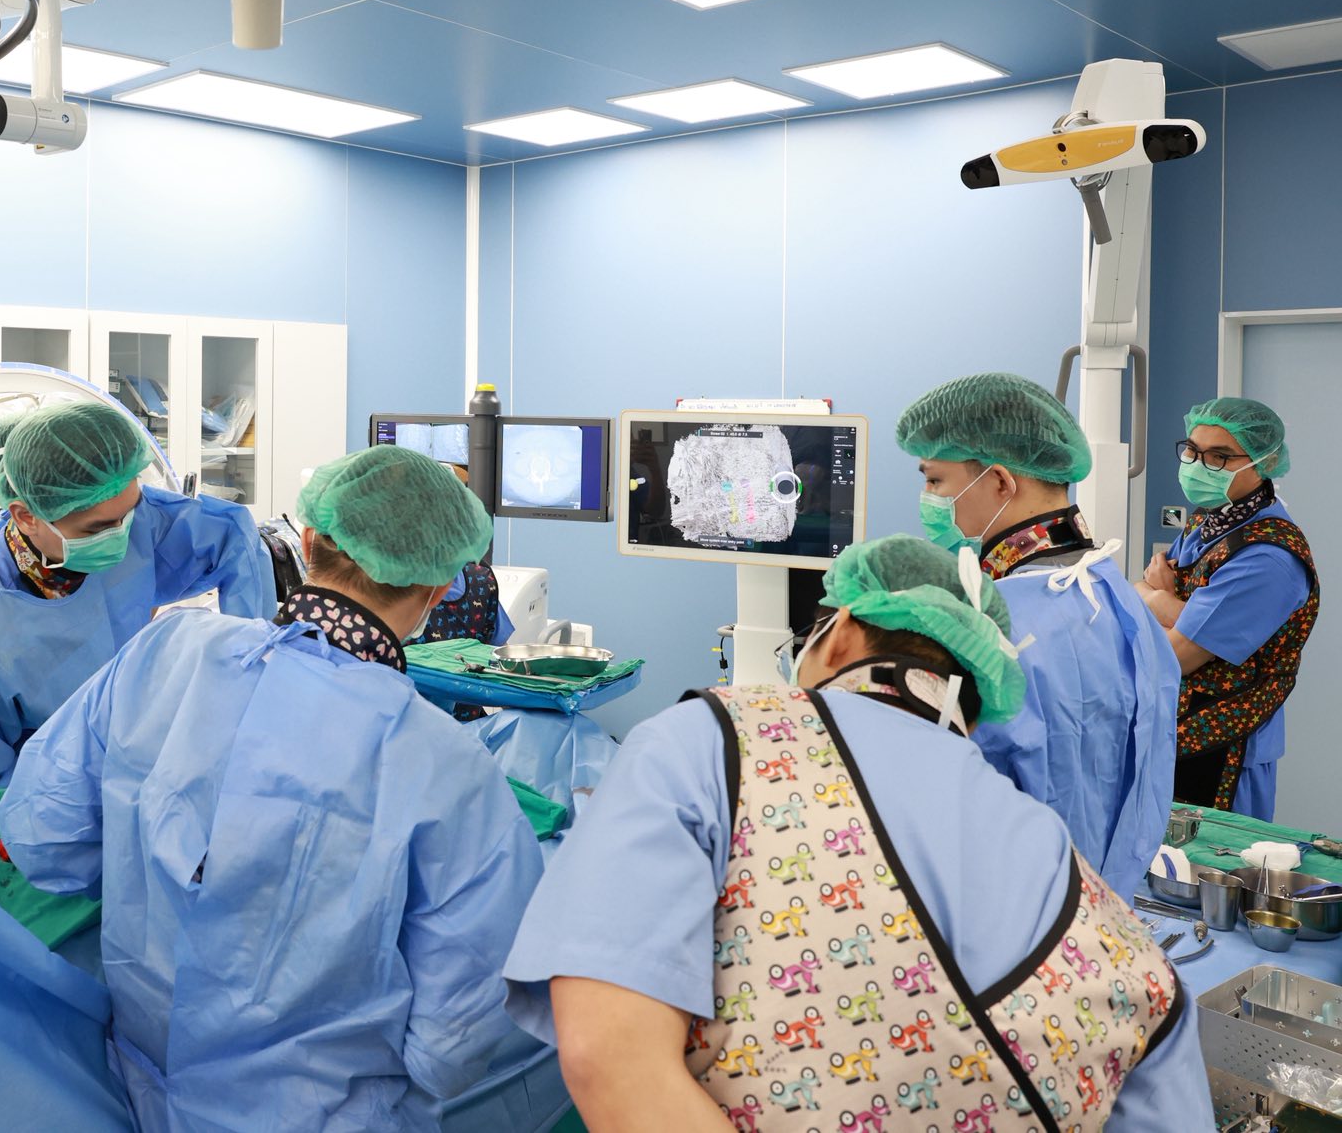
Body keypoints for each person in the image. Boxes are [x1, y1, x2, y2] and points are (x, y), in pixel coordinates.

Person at [505, 535, 1209, 1133]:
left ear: (838, 633)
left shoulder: (710, 742)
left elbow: (610, 1057)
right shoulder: (1088, 895)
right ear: (978, 704)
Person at [0, 446, 544, 1131]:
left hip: (139, 1091)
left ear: (308, 541)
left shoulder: (165, 650)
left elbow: (44, 838)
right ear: (439, 589)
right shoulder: (444, 761)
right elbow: (454, 1038)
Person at [0, 399, 273, 822]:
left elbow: (230, 535)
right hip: (11, 775)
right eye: (99, 529)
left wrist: (250, 665)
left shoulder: (120, 511)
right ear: (26, 517)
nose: (124, 535)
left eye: (130, 513)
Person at [897, 372, 1178, 898]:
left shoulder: (991, 630)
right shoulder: (1118, 598)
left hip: (1009, 903)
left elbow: (934, 797)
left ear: (1002, 482)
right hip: (1102, 898)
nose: (928, 498)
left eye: (935, 481)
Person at [1138, 397, 1319, 816]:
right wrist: (1172, 606)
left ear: (1262, 462)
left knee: (1209, 851)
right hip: (1178, 729)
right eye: (1192, 450)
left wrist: (1158, 599)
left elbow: (1174, 656)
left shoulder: (1268, 557)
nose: (1199, 465)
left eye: (1219, 456)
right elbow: (1140, 589)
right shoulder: (1212, 520)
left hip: (1225, 748)